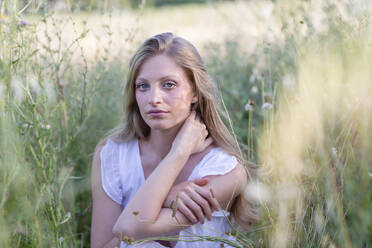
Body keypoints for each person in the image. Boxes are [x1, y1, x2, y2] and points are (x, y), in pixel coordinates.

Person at [91, 32, 258, 248]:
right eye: (143, 86)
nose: (154, 99)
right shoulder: (112, 156)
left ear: (195, 92)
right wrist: (177, 158)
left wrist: (179, 154)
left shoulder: (226, 170)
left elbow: (130, 229)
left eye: (169, 85)